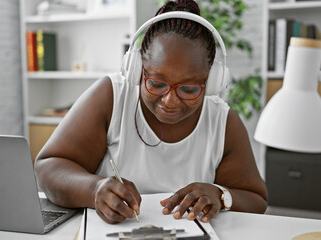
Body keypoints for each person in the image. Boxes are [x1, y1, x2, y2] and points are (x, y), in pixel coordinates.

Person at [35, 0, 267, 224]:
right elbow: (48, 166)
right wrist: (93, 189)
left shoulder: (223, 122)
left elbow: (256, 199)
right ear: (137, 70)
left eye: (188, 89)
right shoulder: (112, 96)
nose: (170, 100)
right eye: (156, 84)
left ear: (212, 83)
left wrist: (220, 195)